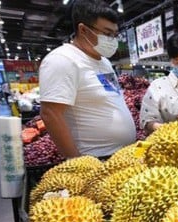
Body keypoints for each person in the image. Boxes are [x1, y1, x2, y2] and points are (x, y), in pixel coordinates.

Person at [39, 0, 135, 158]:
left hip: (123, 157)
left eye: (114, 35)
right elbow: (50, 113)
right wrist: (77, 163)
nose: (112, 40)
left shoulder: (104, 61)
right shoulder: (62, 59)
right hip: (94, 160)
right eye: (107, 34)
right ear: (83, 30)